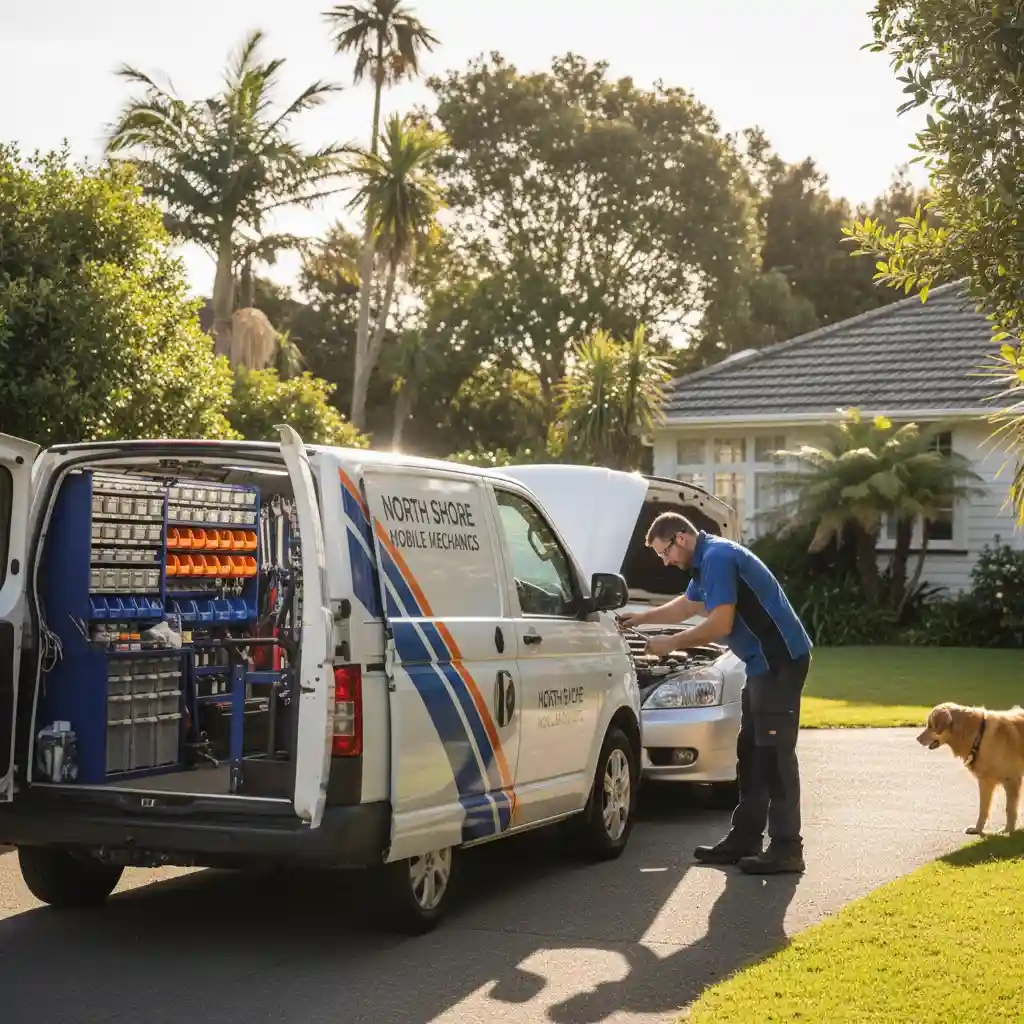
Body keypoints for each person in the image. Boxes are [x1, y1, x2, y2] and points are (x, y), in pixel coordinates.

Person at [619, 512, 812, 874]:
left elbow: (720, 623)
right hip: (760, 664)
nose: (666, 561)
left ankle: (787, 847)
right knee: (751, 751)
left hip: (780, 661)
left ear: (681, 537)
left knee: (774, 754)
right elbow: (688, 605)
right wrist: (641, 618)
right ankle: (746, 838)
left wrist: (670, 643)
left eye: (665, 552)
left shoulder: (718, 557)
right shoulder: (705, 563)